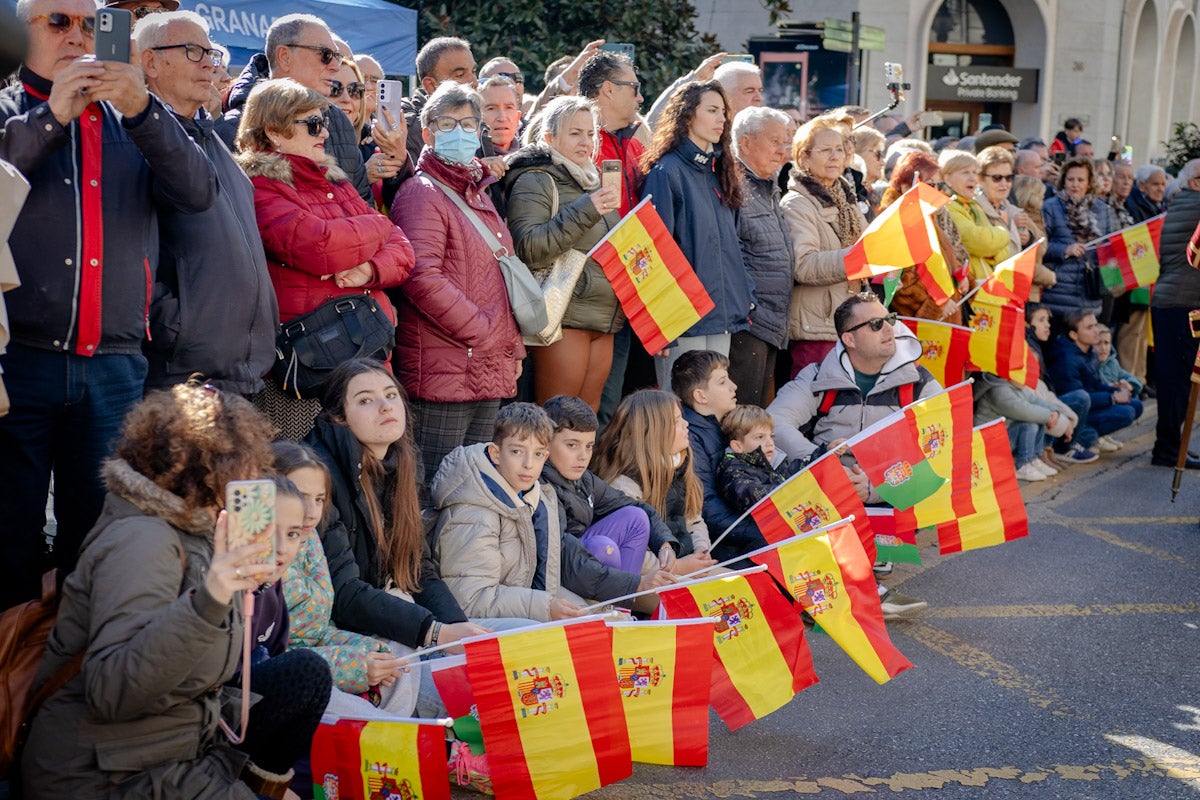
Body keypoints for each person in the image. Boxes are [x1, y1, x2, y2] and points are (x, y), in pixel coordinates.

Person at [0, 0, 218, 607]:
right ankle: (11, 688)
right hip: (17, 361)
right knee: (8, 541)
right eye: (58, 22)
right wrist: (52, 117)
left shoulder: (134, 120)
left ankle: (82, 685)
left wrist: (144, 108)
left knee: (100, 545)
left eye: (91, 24)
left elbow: (199, 192)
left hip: (114, 366)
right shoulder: (9, 112)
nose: (77, 37)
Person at [21, 382, 325, 799]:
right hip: (100, 773)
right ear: (210, 469)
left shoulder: (201, 534)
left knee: (305, 677)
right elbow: (113, 693)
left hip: (168, 752)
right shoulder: (142, 541)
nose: (255, 481)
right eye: (246, 467)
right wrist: (210, 601)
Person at [235, 78, 414, 438]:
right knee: (309, 480)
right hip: (311, 368)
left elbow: (405, 250)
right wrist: (378, 225)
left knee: (376, 474)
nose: (325, 133)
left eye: (325, 123)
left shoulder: (334, 179)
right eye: (313, 124)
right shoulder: (258, 185)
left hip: (368, 353)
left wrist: (371, 269)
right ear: (274, 132)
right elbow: (322, 247)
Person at [767, 294, 937, 618]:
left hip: (887, 486)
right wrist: (821, 460)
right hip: (829, 485)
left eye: (889, 319)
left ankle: (858, 575)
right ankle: (854, 585)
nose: (888, 328)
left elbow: (938, 445)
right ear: (849, 339)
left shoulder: (918, 380)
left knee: (925, 477)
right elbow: (774, 423)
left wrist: (874, 484)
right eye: (875, 324)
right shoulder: (818, 375)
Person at [135, 11, 278, 396]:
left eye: (210, 52)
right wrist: (177, 329)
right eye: (191, 50)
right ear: (150, 62)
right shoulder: (134, 139)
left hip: (243, 372)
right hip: (180, 376)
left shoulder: (213, 140)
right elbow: (130, 253)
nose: (208, 63)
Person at [389, 82, 525, 479]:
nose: (462, 132)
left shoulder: (477, 192)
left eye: (469, 123)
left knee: (473, 487)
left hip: (486, 364)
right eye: (449, 123)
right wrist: (481, 331)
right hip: (445, 365)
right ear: (427, 132)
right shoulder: (422, 193)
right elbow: (420, 275)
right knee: (437, 486)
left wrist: (510, 344)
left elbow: (501, 276)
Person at [433, 402, 671, 620]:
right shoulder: (475, 513)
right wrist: (545, 607)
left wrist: (664, 545)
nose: (528, 464)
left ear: (544, 456)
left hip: (524, 600)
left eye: (537, 454)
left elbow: (542, 576)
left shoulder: (534, 493)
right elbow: (470, 600)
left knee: (600, 620)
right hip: (478, 622)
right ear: (496, 453)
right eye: (517, 452)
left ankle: (621, 614)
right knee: (587, 627)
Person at [274, 441, 421, 717]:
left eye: (319, 499)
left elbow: (318, 631)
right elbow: (277, 655)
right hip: (291, 672)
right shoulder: (264, 554)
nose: (312, 510)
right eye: (300, 496)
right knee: (332, 696)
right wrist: (355, 666)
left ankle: (391, 726)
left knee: (398, 656)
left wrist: (370, 653)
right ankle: (388, 733)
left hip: (322, 649)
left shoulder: (311, 538)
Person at [502, 95, 622, 409]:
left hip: (602, 317)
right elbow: (529, 249)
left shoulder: (594, 181)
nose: (586, 141)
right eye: (575, 133)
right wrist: (588, 208)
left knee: (584, 423)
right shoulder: (535, 179)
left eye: (591, 133)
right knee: (556, 419)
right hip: (562, 317)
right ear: (549, 138)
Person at [641, 80, 754, 389]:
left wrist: (746, 293)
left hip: (721, 312)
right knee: (680, 410)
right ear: (688, 115)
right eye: (712, 110)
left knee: (714, 406)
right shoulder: (666, 172)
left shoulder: (721, 172)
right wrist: (663, 324)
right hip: (682, 319)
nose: (722, 119)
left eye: (723, 112)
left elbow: (734, 244)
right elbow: (654, 252)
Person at [217, 14, 371, 200]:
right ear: (285, 57)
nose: (335, 67)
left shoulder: (338, 121)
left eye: (336, 56)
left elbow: (363, 203)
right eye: (325, 55)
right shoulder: (233, 128)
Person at [541, 394, 681, 576]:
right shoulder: (541, 486)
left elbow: (636, 506)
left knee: (635, 517)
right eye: (572, 445)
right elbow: (559, 556)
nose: (583, 456)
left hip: (586, 570)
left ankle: (622, 604)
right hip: (556, 576)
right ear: (545, 442)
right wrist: (635, 585)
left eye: (589, 446)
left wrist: (664, 543)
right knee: (602, 548)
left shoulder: (585, 479)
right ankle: (614, 601)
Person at [579, 49, 646, 422]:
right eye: (633, 87)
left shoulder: (634, 143)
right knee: (587, 408)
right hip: (589, 296)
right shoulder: (580, 144)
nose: (639, 97)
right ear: (607, 90)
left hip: (629, 294)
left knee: (616, 405)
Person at [593, 389, 718, 574]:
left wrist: (701, 549)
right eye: (676, 421)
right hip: (649, 579)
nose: (686, 424)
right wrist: (679, 568)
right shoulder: (624, 485)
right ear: (653, 433)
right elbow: (630, 551)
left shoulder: (681, 467)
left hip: (687, 564)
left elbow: (694, 520)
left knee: (743, 588)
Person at [780, 115, 868, 376]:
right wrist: (859, 257)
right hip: (817, 326)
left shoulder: (846, 198)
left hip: (850, 321)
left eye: (839, 149)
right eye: (825, 150)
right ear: (803, 157)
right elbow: (803, 265)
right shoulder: (797, 203)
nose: (835, 156)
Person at [670, 350, 766, 562]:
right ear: (700, 396)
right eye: (723, 382)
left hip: (733, 528)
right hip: (714, 543)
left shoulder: (724, 424)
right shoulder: (690, 438)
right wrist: (763, 529)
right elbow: (707, 508)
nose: (734, 386)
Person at [728, 106, 795, 406]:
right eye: (775, 141)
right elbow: (731, 255)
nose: (783, 150)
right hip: (749, 322)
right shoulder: (734, 187)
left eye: (786, 142)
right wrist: (749, 305)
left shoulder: (769, 187)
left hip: (771, 322)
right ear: (746, 142)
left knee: (757, 415)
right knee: (741, 415)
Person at [1151, 160, 1200, 468]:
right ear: (1196, 182)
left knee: (1176, 380)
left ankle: (1172, 445)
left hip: (1173, 302)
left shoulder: (1181, 203)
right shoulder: (1196, 206)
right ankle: (1168, 450)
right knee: (1178, 382)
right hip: (1181, 304)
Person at [879, 151, 966, 323]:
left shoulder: (927, 217)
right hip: (921, 324)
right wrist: (936, 304)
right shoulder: (894, 222)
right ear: (905, 187)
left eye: (938, 185)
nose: (936, 191)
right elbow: (899, 283)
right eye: (930, 185)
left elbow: (942, 262)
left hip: (944, 318)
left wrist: (960, 279)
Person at [1047, 311, 1143, 455]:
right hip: (1067, 412)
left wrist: (1114, 389)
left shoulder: (1088, 350)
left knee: (1136, 405)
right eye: (1089, 327)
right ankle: (1070, 443)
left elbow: (1095, 385)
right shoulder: (1066, 358)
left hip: (1086, 406)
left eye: (1095, 325)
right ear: (1074, 335)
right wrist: (1112, 398)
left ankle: (1087, 435)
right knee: (1126, 412)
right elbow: (1077, 400)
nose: (1096, 331)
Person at [1041, 157, 1113, 323]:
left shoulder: (1102, 209)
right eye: (1070, 179)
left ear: (1089, 183)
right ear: (1063, 181)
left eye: (1080, 180)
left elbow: (1108, 245)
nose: (1075, 184)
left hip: (1090, 292)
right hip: (1058, 293)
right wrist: (1064, 250)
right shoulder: (1050, 206)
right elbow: (1039, 246)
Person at [1025, 303, 1091, 467]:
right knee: (1080, 398)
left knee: (1091, 433)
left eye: (1047, 320)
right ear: (1027, 324)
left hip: (1046, 400)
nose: (1048, 325)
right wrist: (1062, 418)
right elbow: (1036, 397)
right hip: (1033, 406)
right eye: (1041, 320)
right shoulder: (1027, 347)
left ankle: (1051, 448)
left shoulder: (1038, 343)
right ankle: (1055, 449)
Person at [714, 404, 812, 512]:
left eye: (771, 436)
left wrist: (825, 452)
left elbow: (795, 472)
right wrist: (790, 491)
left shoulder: (773, 462)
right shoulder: (733, 469)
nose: (769, 442)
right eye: (760, 437)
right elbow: (746, 493)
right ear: (737, 446)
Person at [972, 372, 1066, 481]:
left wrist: (1054, 411)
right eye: (1021, 374)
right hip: (989, 443)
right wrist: (1048, 416)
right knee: (1029, 424)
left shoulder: (1013, 385)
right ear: (1008, 375)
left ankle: (1033, 459)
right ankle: (1023, 465)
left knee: (1037, 420)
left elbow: (1035, 400)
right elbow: (1024, 411)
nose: (1025, 378)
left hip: (1002, 435)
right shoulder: (998, 391)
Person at [940, 149, 1010, 284]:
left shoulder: (974, 206)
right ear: (947, 178)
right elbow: (979, 241)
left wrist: (990, 251)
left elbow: (1005, 252)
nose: (973, 178)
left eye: (974, 172)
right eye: (965, 173)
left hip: (984, 286)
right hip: (968, 288)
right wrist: (1004, 233)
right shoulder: (948, 207)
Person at [1012, 174, 1056, 302]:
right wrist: (1047, 276)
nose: (1043, 197)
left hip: (1033, 290)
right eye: (1039, 193)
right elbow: (1021, 260)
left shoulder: (1037, 218)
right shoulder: (1023, 219)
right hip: (1025, 291)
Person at [479, 75, 521, 156]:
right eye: (491, 109)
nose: (502, 118)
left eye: (509, 108)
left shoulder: (532, 158)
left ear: (518, 117)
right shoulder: (467, 162)